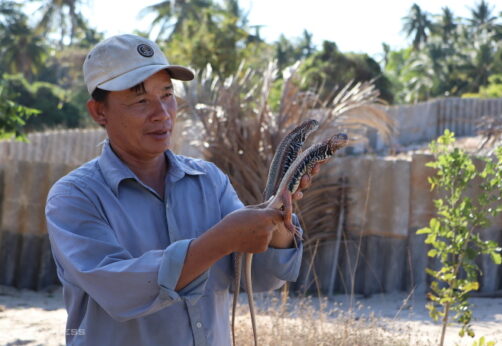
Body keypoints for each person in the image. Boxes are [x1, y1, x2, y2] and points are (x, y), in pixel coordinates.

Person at [45, 34, 318, 346]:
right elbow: (121, 293)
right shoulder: (74, 197)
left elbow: (260, 277)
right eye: (140, 100)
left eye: (167, 95)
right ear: (99, 112)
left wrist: (278, 218)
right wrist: (219, 241)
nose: (162, 113)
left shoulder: (209, 180)